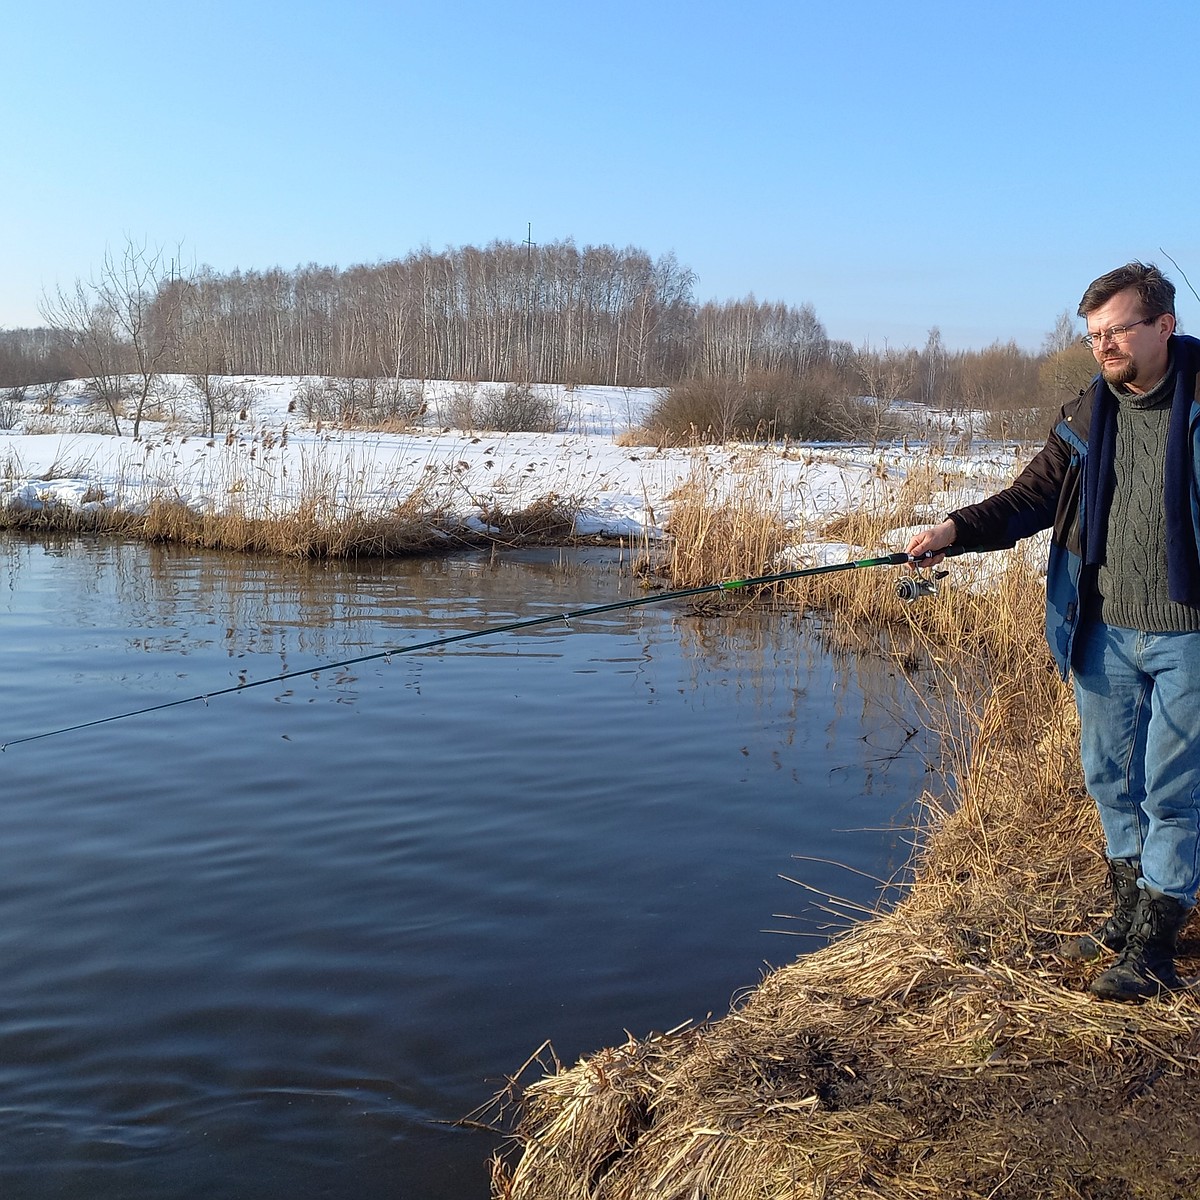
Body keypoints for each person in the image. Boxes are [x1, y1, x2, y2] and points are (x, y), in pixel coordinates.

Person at [906, 261, 1200, 1003]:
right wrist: (954, 529)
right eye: (1094, 335)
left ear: (1164, 325)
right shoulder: (1085, 415)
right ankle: (1127, 913)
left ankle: (1155, 947)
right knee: (1108, 777)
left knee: (1173, 791)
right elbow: (1031, 497)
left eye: (1118, 330)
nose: (1104, 346)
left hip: (1190, 635)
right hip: (1100, 629)